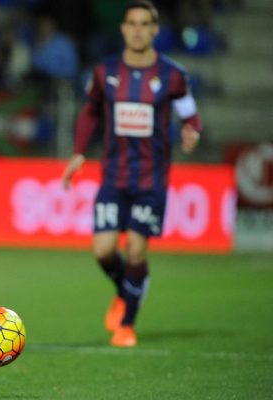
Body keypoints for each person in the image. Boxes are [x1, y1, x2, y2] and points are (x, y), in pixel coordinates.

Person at [61, 0, 202, 348]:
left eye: (144, 24)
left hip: (151, 179)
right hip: (114, 176)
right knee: (103, 251)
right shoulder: (105, 72)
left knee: (136, 250)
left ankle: (127, 324)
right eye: (132, 23)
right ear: (123, 29)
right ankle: (129, 287)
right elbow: (89, 112)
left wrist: (192, 131)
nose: (138, 30)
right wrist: (79, 152)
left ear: (155, 30)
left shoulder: (172, 75)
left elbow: (190, 115)